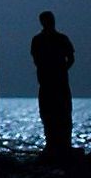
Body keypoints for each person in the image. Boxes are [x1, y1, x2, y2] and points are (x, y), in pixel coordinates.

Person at [30, 11, 75, 158]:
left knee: (59, 115)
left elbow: (70, 58)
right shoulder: (42, 40)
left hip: (55, 84)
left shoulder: (51, 39)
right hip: (51, 84)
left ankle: (62, 146)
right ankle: (53, 145)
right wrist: (60, 70)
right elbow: (71, 59)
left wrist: (59, 71)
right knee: (50, 116)